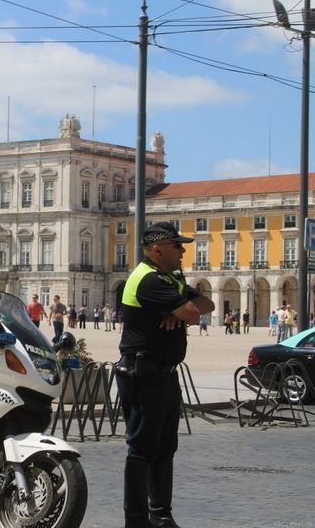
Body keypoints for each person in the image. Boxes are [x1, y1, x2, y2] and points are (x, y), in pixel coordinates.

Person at [115, 222, 214, 528]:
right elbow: (195, 314)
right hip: (142, 374)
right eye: (177, 245)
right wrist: (180, 309)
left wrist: (175, 310)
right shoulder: (148, 280)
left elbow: (206, 304)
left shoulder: (166, 278)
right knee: (142, 449)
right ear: (157, 249)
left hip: (164, 374)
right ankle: (137, 520)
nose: (184, 250)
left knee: (165, 447)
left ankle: (161, 515)